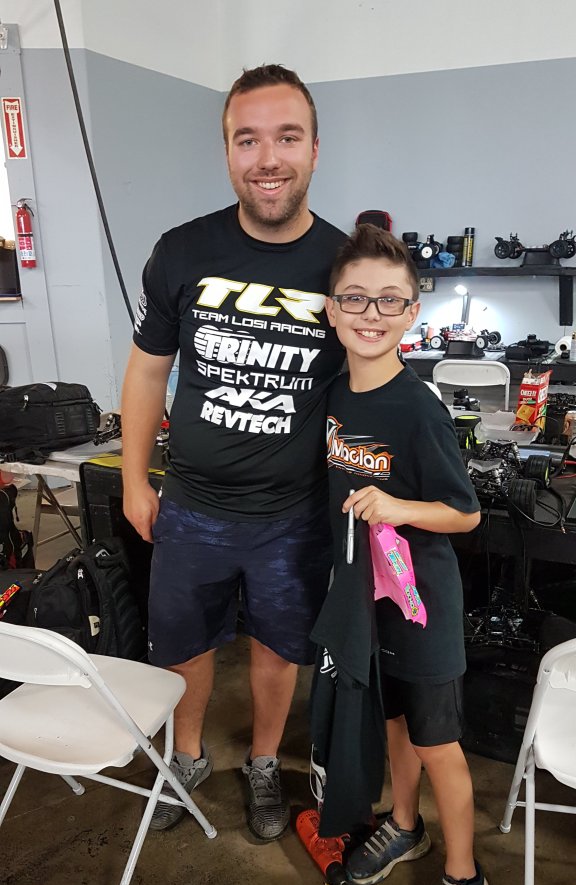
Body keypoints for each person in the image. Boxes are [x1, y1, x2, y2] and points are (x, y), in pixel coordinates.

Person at [121, 65, 346, 840]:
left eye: (287, 137)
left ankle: (262, 762)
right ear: (227, 152)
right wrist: (134, 478)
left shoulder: (345, 267)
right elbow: (148, 371)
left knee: (279, 649)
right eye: (247, 140)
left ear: (314, 148)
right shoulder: (181, 251)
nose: (268, 158)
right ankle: (185, 757)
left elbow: (369, 388)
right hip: (191, 506)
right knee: (183, 644)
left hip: (295, 514)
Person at [324, 223, 487, 885]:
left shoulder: (418, 409)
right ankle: (404, 824)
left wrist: (396, 507)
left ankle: (464, 875)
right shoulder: (335, 395)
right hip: (367, 602)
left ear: (411, 314)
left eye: (390, 300)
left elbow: (465, 513)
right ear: (332, 309)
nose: (371, 313)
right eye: (355, 297)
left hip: (424, 608)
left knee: (437, 742)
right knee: (393, 724)